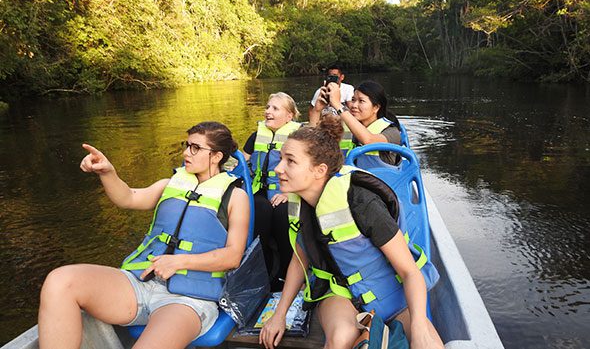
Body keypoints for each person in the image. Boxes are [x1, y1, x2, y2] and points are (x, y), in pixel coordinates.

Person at [38, 122, 250, 349]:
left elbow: (233, 256)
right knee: (60, 281)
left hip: (188, 300)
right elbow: (127, 197)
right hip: (141, 283)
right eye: (186, 145)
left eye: (195, 148)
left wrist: (179, 261)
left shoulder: (236, 197)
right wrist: (108, 172)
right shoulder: (169, 184)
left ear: (216, 156)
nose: (186, 152)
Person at [259, 116, 443, 349]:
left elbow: (409, 272)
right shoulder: (298, 203)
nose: (278, 168)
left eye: (290, 161)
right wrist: (279, 315)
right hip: (338, 292)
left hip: (388, 289)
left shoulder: (362, 202)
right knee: (340, 339)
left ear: (320, 170)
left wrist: (418, 329)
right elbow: (299, 259)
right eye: (281, 158)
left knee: (429, 345)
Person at [242, 92, 301, 290]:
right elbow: (242, 164)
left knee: (282, 213)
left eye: (275, 108)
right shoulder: (256, 135)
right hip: (259, 190)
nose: (268, 111)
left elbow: (307, 171)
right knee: (260, 208)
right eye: (268, 107)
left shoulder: (299, 137)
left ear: (289, 116)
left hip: (289, 190)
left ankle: (287, 272)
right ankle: (263, 270)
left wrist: (288, 193)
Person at [327, 80, 402, 167]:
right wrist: (316, 111)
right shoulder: (342, 126)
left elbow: (369, 140)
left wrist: (338, 105)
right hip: (348, 178)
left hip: (379, 179)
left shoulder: (392, 132)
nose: (354, 105)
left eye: (361, 101)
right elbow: (315, 145)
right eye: (353, 100)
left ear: (376, 107)